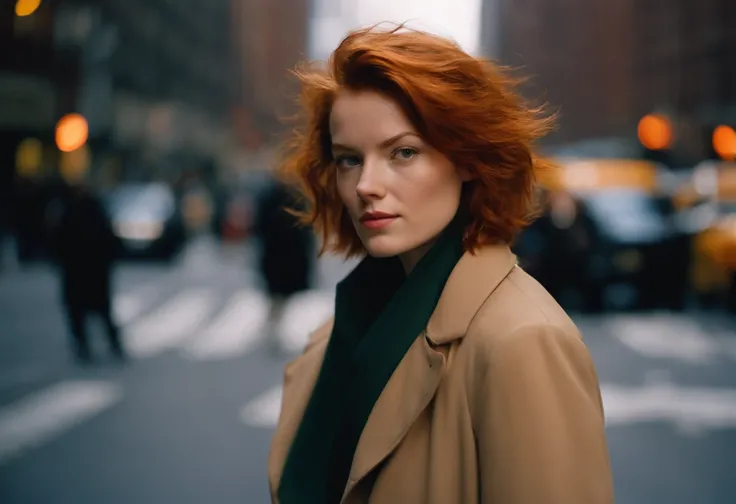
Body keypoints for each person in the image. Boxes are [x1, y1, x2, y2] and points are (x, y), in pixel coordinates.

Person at [268, 25, 614, 504]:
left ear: (468, 159)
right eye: (349, 160)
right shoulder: (347, 327)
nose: (367, 184)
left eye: (403, 152)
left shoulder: (522, 342)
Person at [50, 179, 125, 364]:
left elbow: (58, 241)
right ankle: (97, 346)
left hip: (84, 270)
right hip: (86, 270)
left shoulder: (76, 210)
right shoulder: (80, 210)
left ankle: (96, 346)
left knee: (91, 312)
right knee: (94, 312)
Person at [253, 175, 315, 350]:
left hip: (288, 257)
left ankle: (272, 327)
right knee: (277, 296)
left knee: (281, 296)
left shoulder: (296, 197)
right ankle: (271, 329)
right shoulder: (274, 198)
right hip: (278, 256)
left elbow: (305, 228)